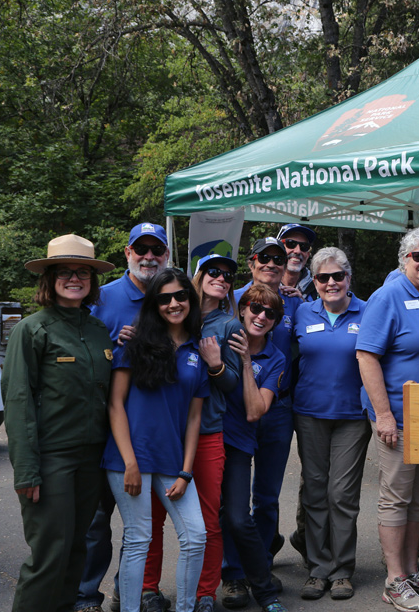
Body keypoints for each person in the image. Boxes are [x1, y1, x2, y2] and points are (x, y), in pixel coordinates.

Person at [2, 235, 115, 612]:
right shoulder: (32, 330)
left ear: (92, 280)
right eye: (64, 271)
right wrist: (27, 470)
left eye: (82, 271)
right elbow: (18, 402)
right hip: (51, 460)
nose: (74, 278)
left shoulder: (98, 330)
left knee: (76, 549)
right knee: (49, 556)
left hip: (90, 460)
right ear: (48, 280)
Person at [356, 227, 419, 612]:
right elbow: (366, 356)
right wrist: (383, 415)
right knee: (396, 496)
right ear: (404, 260)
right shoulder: (388, 297)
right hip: (396, 417)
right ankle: (394, 579)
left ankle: (413, 570)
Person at [75, 222, 171, 612]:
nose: (148, 257)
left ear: (165, 255)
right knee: (98, 523)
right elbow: (80, 350)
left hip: (151, 429)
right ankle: (85, 596)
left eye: (156, 250)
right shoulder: (103, 297)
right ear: (128, 252)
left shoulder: (173, 298)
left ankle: (128, 590)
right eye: (141, 249)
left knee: (142, 526)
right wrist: (114, 347)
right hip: (103, 427)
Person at [138, 255, 242, 612]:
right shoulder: (156, 328)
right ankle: (147, 588)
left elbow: (232, 385)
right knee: (153, 518)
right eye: (212, 271)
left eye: (227, 274)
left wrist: (215, 365)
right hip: (163, 438)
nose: (220, 278)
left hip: (208, 432)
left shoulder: (226, 326)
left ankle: (204, 594)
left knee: (207, 519)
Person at [101, 268, 208, 612]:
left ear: (190, 300)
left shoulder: (196, 349)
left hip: (173, 461)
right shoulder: (134, 343)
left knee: (195, 536)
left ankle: (186, 608)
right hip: (127, 459)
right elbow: (115, 404)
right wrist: (130, 463)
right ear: (154, 304)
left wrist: (186, 471)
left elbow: (194, 418)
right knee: (139, 539)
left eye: (180, 296)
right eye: (164, 298)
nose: (174, 304)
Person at [223, 237, 302, 608]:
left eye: (278, 258)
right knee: (231, 503)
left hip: (277, 405)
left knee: (266, 498)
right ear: (251, 262)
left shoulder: (294, 301)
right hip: (232, 411)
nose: (271, 263)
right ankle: (234, 574)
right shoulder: (230, 298)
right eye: (264, 258)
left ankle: (261, 566)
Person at [291, 248, 371, 601]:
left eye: (338, 276)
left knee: (342, 495)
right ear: (315, 282)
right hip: (309, 413)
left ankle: (341, 570)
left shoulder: (368, 311)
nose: (331, 283)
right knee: (315, 491)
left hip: (352, 417)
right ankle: (318, 568)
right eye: (323, 277)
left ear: (348, 278)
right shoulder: (301, 311)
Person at [220, 285, 289, 612]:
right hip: (206, 438)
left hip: (240, 441)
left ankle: (258, 579)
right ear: (242, 308)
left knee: (243, 513)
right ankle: (227, 578)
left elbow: (254, 410)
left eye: (270, 313)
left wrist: (246, 361)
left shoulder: (275, 357)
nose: (261, 317)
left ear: (276, 321)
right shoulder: (222, 335)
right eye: (255, 308)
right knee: (210, 518)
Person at [277, 223, 318, 300]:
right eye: (291, 244)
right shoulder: (263, 282)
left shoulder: (319, 286)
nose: (297, 251)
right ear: (278, 249)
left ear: (307, 255)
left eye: (304, 247)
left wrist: (303, 304)